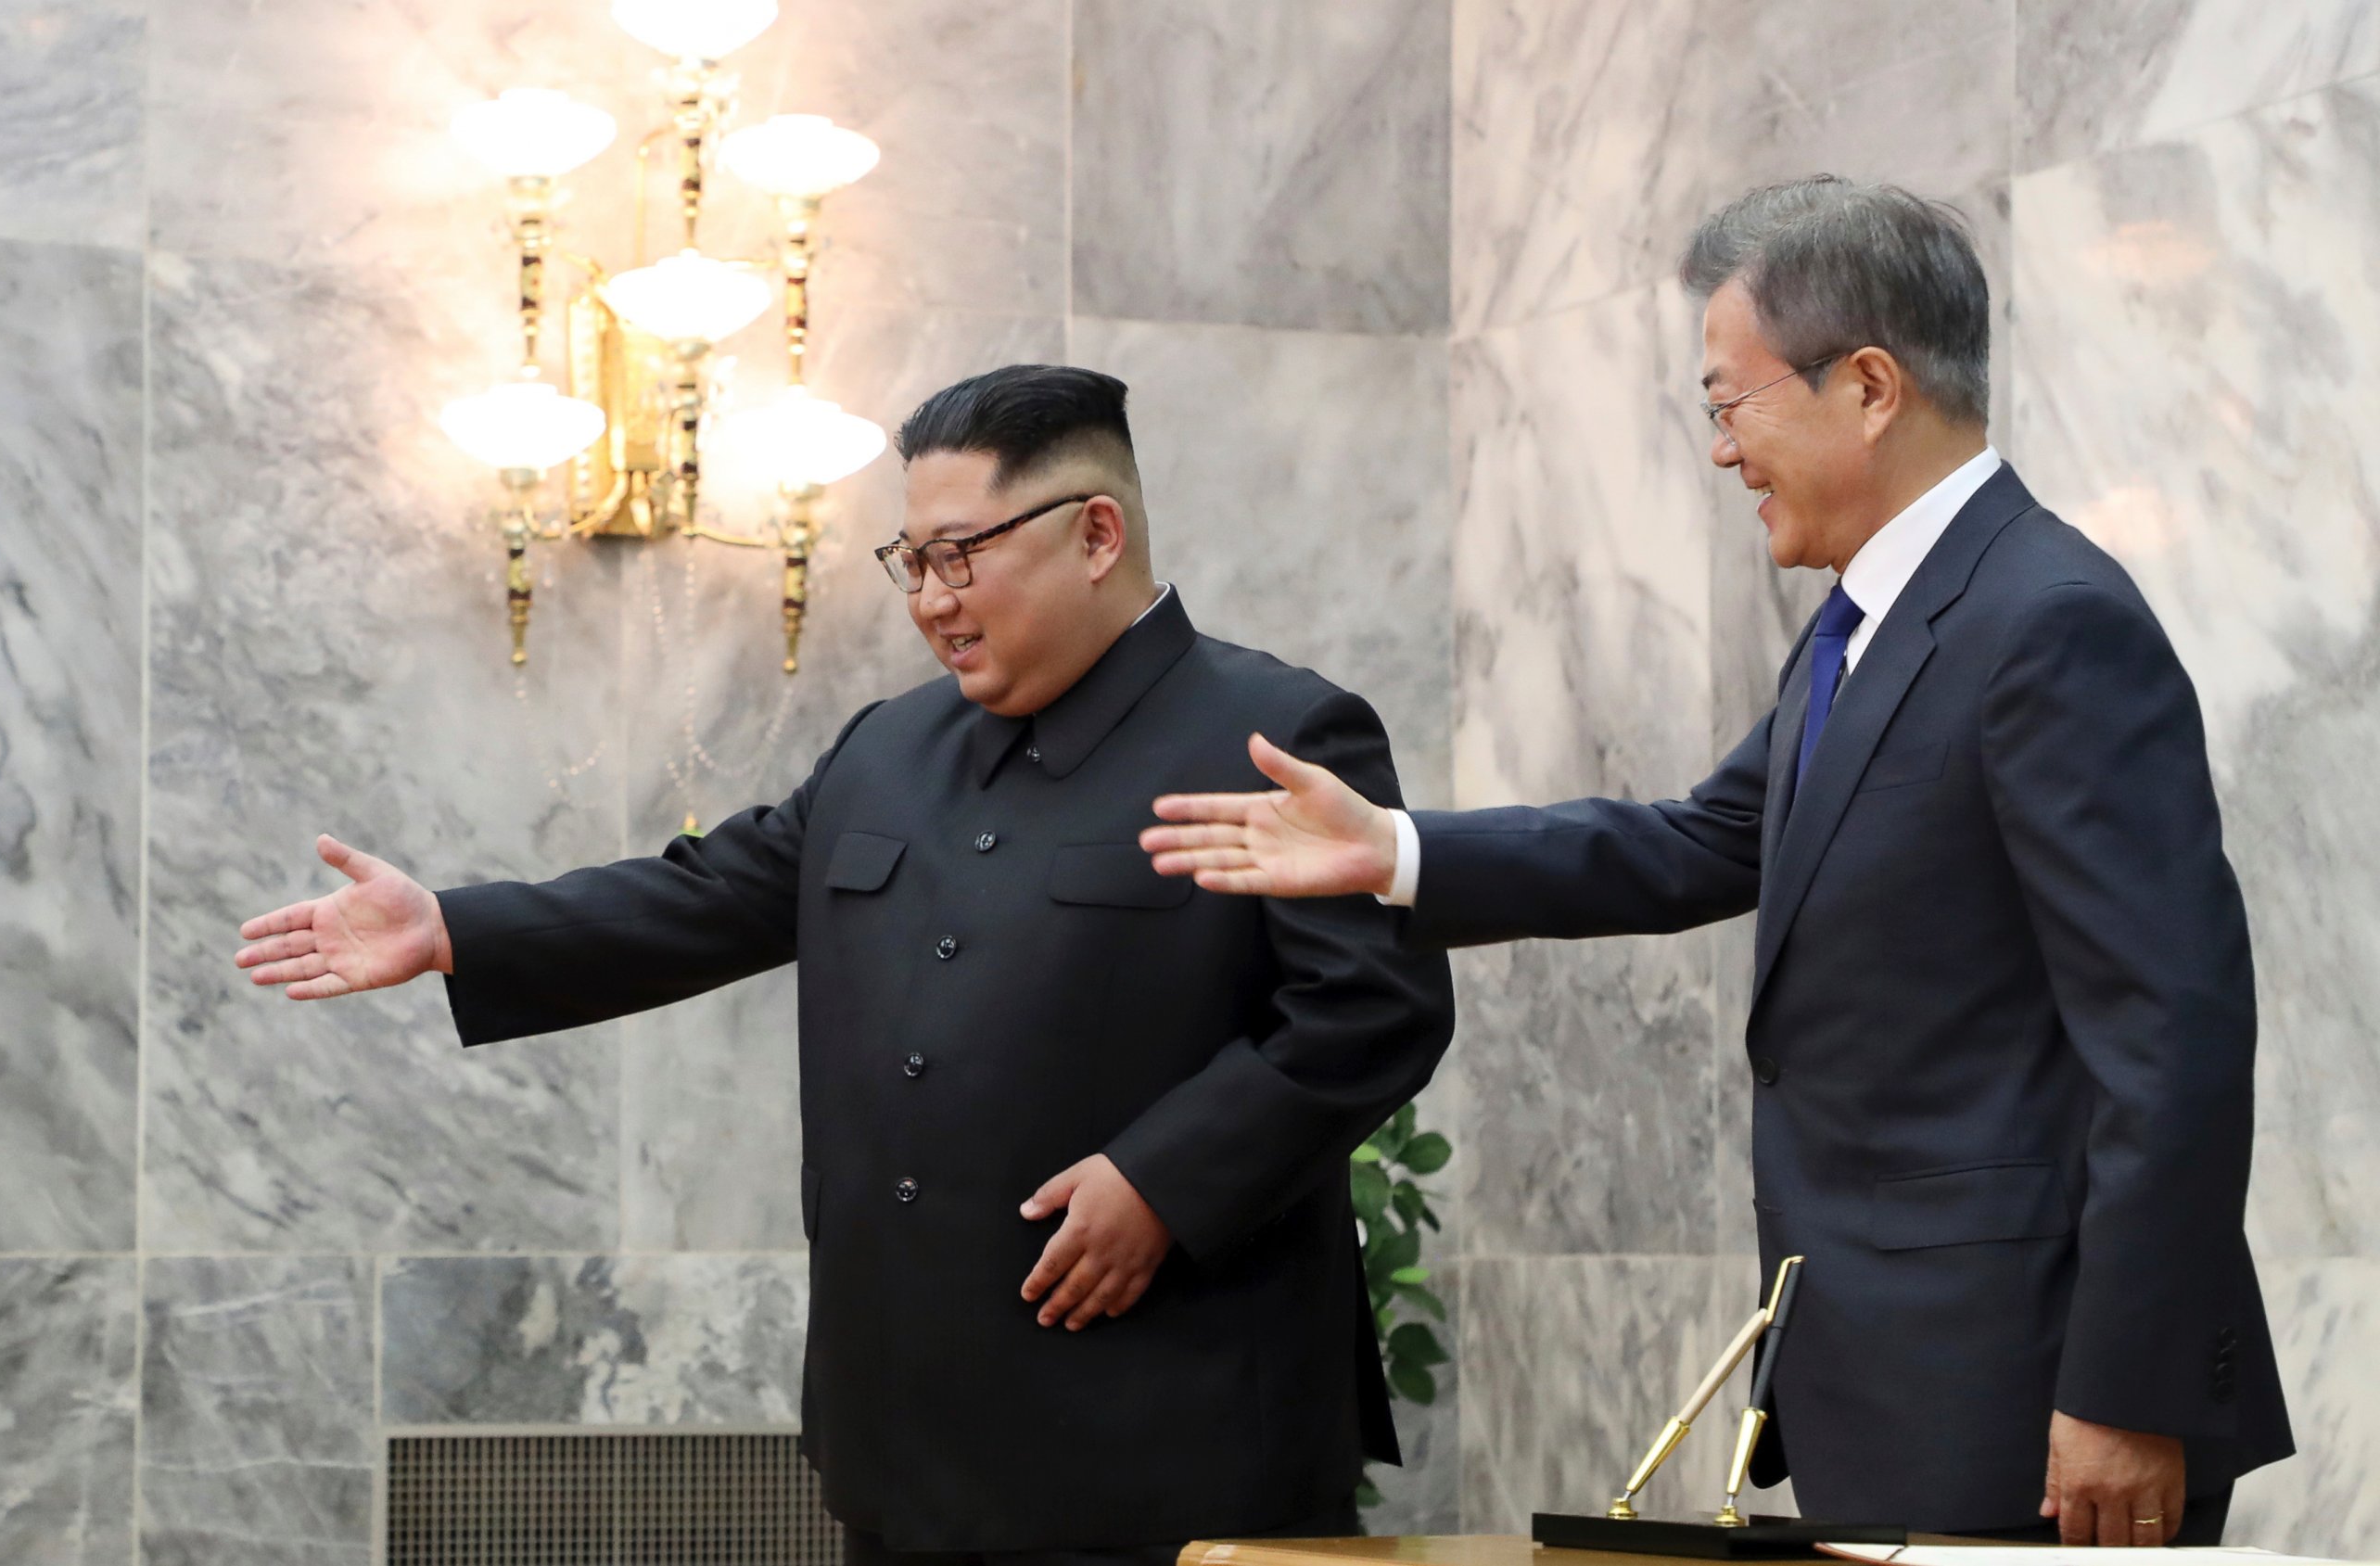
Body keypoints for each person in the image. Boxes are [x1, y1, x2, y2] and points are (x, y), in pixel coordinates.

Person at [1141, 178, 2293, 1545]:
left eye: (1728, 402)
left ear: (1868, 386)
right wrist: (1391, 849)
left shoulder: (2048, 623)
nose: (1719, 451)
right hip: (1904, 1382)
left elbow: (2176, 1036)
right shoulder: (1871, 620)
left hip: (2033, 1392)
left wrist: (2125, 1388)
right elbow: (1698, 840)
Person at [235, 364, 1455, 1561]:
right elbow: (713, 892)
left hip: (1171, 1437)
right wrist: (453, 927)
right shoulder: (890, 744)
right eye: (912, 559)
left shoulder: (1276, 736)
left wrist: (1165, 1180)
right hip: (905, 1445)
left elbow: (1376, 1009)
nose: (930, 597)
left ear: (1095, 534)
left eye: (960, 554)